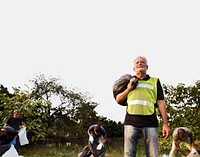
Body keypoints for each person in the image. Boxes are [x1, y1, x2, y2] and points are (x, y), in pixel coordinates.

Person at [115, 55, 170, 157]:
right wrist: (129, 88)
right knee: (128, 154)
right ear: (134, 68)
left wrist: (165, 124)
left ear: (147, 67)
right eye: (137, 63)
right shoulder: (128, 81)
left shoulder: (155, 81)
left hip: (150, 122)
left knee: (153, 154)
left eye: (142, 62)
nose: (140, 63)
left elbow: (160, 102)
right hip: (131, 121)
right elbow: (118, 99)